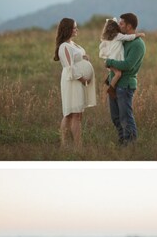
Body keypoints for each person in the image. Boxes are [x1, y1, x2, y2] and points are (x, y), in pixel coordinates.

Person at [103, 13, 146, 146]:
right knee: (116, 118)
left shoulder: (138, 44)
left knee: (125, 117)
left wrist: (108, 61)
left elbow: (127, 65)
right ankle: (122, 143)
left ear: (129, 26)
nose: (119, 25)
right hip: (114, 84)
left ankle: (130, 145)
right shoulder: (122, 40)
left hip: (125, 86)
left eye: (121, 23)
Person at [54, 18, 97, 149]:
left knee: (78, 114)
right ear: (67, 29)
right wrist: (83, 79)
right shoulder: (64, 46)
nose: (76, 29)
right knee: (70, 113)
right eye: (74, 27)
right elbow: (69, 68)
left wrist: (85, 59)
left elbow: (77, 59)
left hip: (78, 82)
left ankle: (76, 145)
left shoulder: (73, 44)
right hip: (72, 82)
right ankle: (67, 145)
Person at [98, 18, 145, 99]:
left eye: (121, 24)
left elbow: (102, 47)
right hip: (115, 60)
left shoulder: (108, 38)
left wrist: (107, 59)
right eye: (119, 25)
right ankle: (111, 88)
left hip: (109, 59)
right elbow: (129, 37)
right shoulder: (118, 36)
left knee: (115, 72)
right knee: (118, 74)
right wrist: (139, 34)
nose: (120, 26)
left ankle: (109, 81)